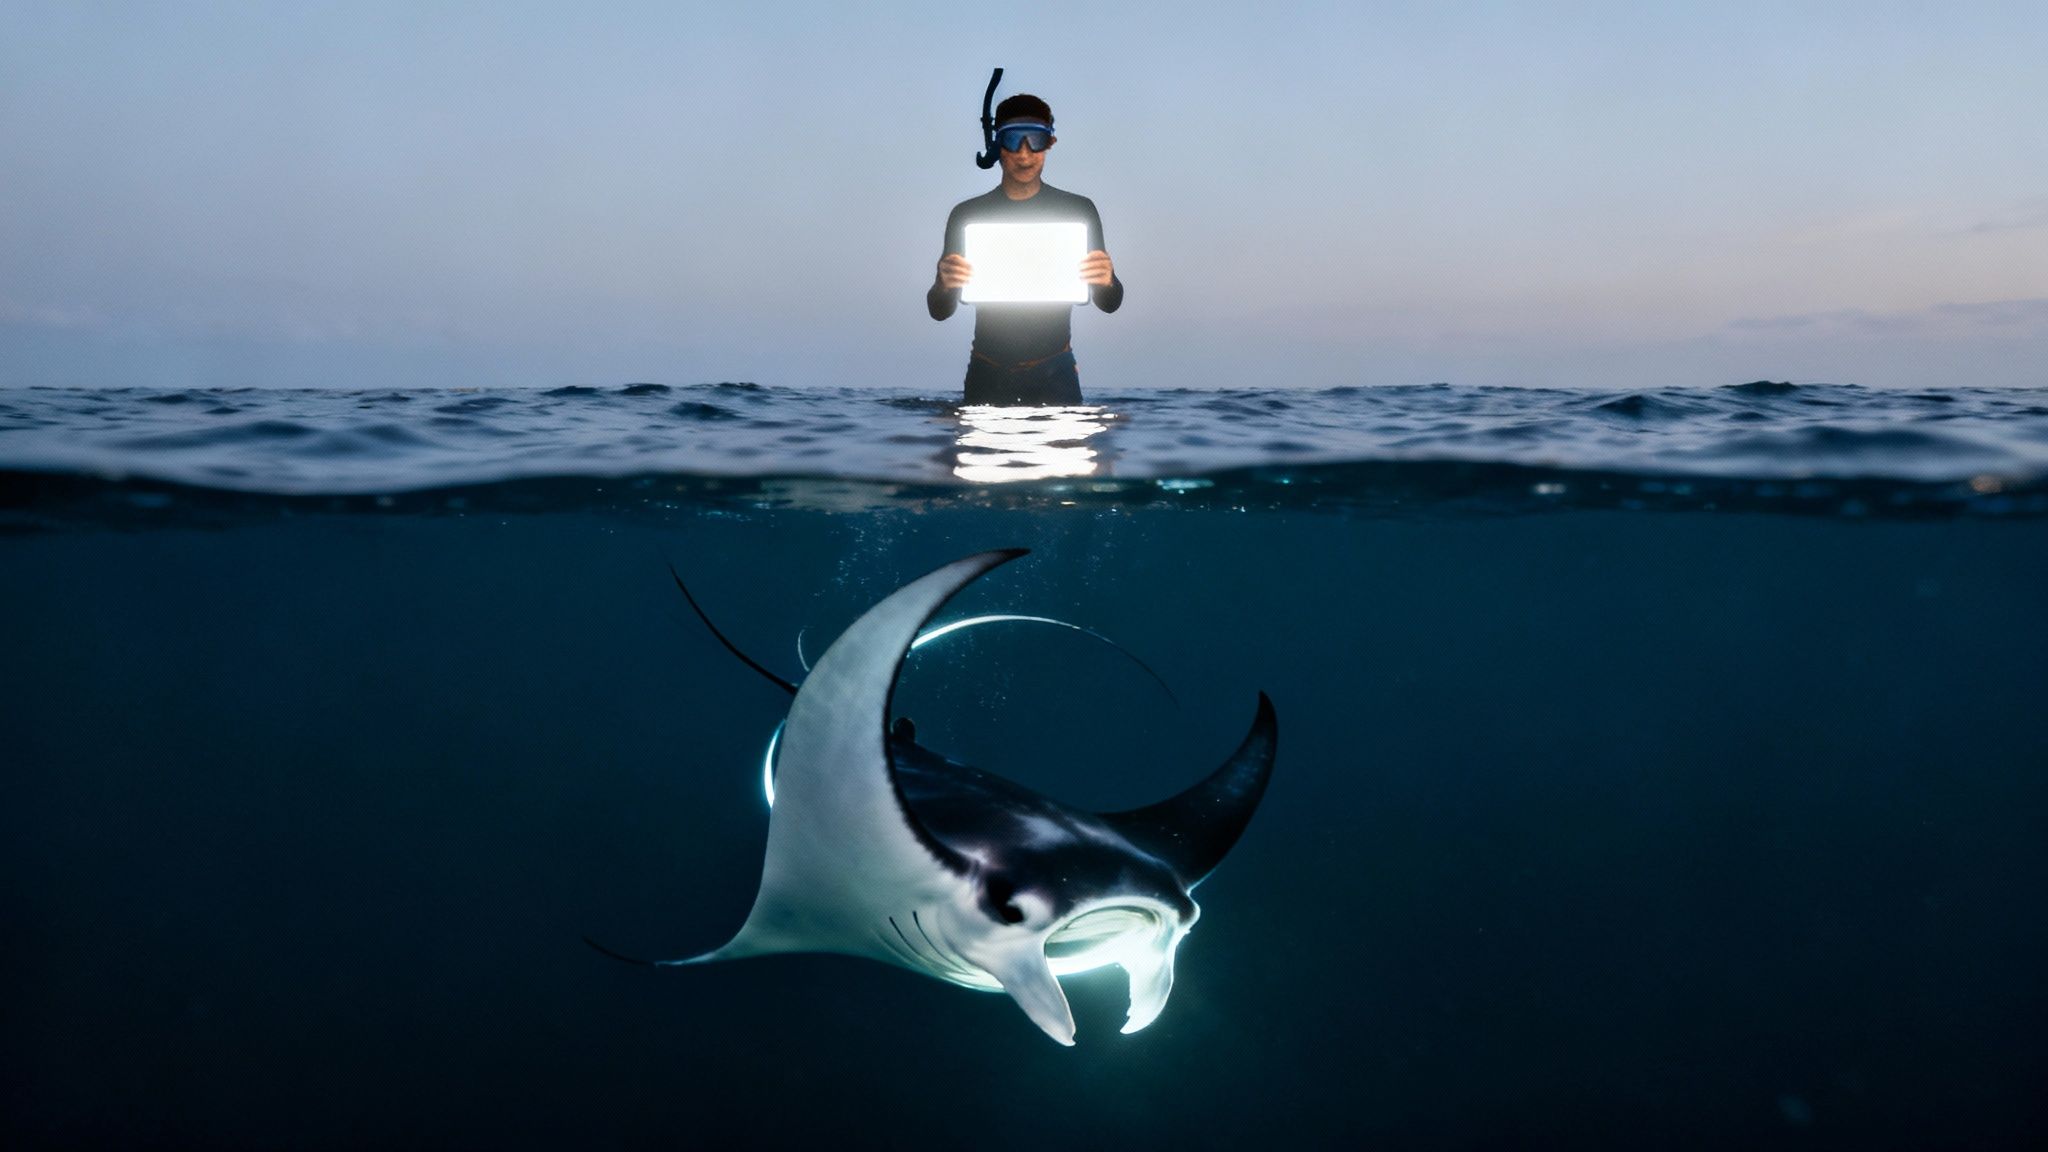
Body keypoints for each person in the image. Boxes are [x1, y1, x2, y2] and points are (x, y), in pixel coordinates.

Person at [927, 94, 1123, 406]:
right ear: (996, 144)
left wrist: (1107, 280)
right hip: (987, 372)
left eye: (1036, 141)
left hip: (1055, 372)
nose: (1024, 154)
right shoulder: (967, 215)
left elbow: (1109, 303)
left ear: (1050, 143)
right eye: (1013, 140)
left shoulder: (1079, 210)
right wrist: (943, 284)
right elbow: (939, 310)